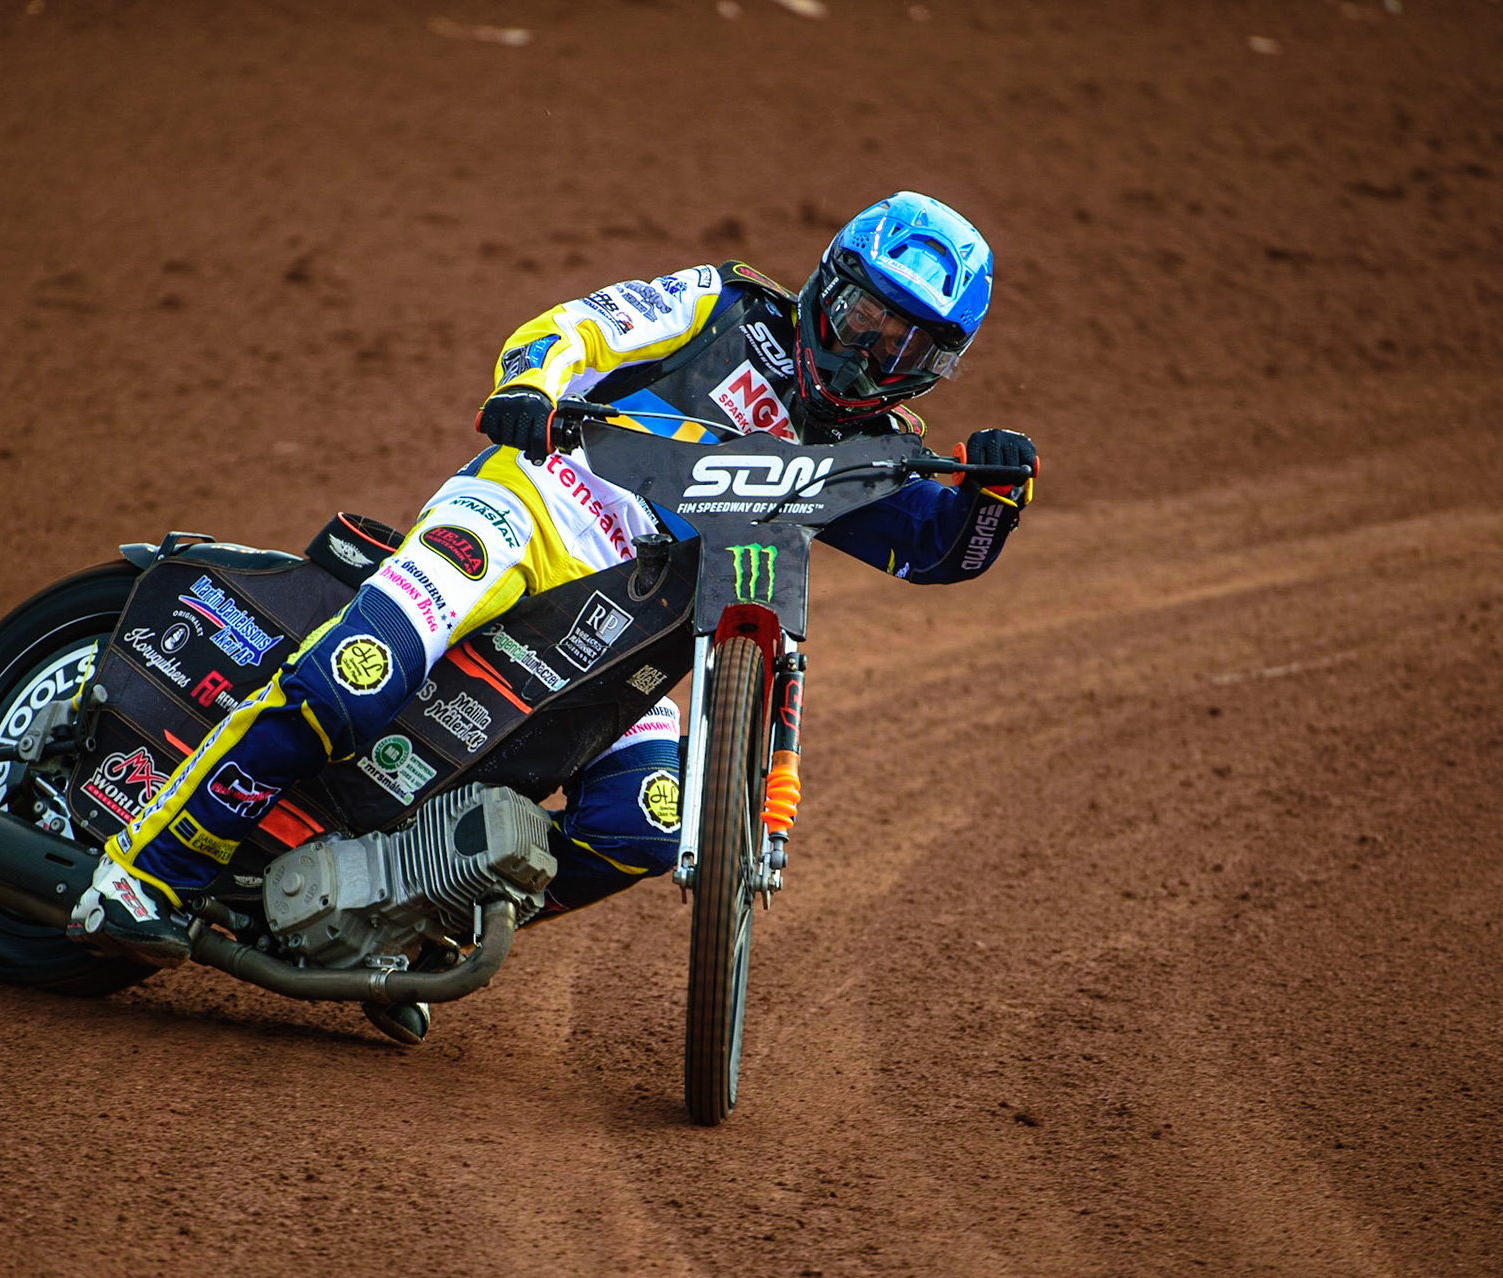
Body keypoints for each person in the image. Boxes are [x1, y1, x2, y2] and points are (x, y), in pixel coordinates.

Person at [73, 190, 1038, 978]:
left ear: (941, 367)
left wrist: (997, 490)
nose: (873, 357)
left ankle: (408, 929)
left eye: (910, 349)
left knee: (652, 822)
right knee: (358, 676)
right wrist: (533, 383)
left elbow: (942, 551)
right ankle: (149, 871)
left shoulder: (876, 455)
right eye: (865, 321)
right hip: (535, 508)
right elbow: (585, 326)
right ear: (826, 286)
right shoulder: (729, 305)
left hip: (646, 626)